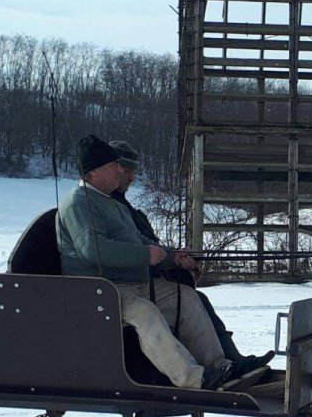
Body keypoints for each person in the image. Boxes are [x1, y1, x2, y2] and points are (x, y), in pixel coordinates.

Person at [57, 133, 262, 391]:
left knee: (186, 297)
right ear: (93, 173)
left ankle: (219, 366)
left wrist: (171, 256)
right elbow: (91, 250)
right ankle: (193, 379)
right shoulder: (79, 204)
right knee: (146, 313)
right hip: (99, 292)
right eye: (114, 166)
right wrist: (145, 255)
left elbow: (140, 239)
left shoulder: (112, 203)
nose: (121, 171)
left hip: (131, 285)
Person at [106, 139, 274, 374]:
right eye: (128, 172)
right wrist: (169, 261)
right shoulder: (106, 209)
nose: (132, 178)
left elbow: (148, 246)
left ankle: (229, 361)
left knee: (195, 297)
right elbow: (128, 253)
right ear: (114, 170)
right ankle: (219, 366)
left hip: (143, 280)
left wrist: (176, 259)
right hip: (126, 289)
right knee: (192, 299)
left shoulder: (124, 209)